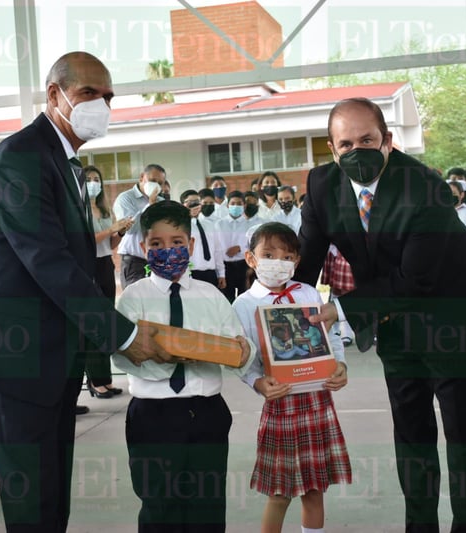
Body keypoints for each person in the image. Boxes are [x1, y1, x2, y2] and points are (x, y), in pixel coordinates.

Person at [0, 51, 171, 533]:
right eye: (89, 93)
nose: (102, 105)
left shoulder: (62, 161)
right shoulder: (20, 158)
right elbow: (48, 262)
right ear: (55, 95)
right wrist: (124, 335)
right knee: (33, 509)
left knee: (51, 504)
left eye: (109, 97)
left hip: (49, 357)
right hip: (15, 360)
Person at [297, 97, 466, 532]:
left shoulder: (423, 185)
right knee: (411, 433)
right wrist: (277, 309)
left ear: (388, 141)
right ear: (332, 149)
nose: (357, 151)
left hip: (456, 312)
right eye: (346, 143)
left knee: (461, 431)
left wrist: (339, 310)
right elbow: (307, 260)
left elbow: (416, 279)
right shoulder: (320, 185)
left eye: (368, 140)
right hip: (392, 315)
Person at [111, 200, 254, 533]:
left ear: (190, 246)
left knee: (206, 503)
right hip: (153, 415)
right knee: (159, 504)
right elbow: (119, 355)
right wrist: (156, 353)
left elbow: (238, 349)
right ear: (144, 248)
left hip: (206, 412)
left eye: (176, 243)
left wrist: (243, 352)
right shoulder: (133, 297)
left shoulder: (211, 296)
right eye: (157, 245)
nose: (167, 251)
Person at [232, 222, 350, 533]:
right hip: (281, 404)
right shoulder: (244, 305)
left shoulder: (308, 293)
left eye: (287, 256)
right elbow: (241, 358)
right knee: (280, 492)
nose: (278, 262)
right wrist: (257, 382)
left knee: (314, 489)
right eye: (268, 254)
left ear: (296, 261)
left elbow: (331, 335)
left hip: (317, 400)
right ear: (250, 258)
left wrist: (340, 365)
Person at [84, 164, 131, 399]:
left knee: (105, 322)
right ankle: (94, 380)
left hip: (104, 265)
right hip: (87, 266)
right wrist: (112, 228)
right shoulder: (78, 209)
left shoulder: (103, 209)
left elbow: (109, 246)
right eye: (89, 178)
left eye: (96, 179)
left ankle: (106, 379)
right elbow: (85, 241)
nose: (94, 182)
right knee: (93, 323)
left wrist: (120, 232)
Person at [113, 164, 167, 289]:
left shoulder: (162, 202)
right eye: (153, 180)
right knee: (135, 303)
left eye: (160, 183)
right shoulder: (125, 198)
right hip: (135, 261)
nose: (156, 185)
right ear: (142, 177)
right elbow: (131, 229)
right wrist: (151, 206)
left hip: (158, 260)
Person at [180, 188, 225, 288]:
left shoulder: (210, 225)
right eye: (190, 202)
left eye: (197, 202)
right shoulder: (180, 227)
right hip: (191, 273)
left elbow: (217, 250)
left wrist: (221, 273)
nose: (194, 205)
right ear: (183, 205)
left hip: (211, 273)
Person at [216, 191, 250, 302]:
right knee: (227, 298)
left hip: (242, 265)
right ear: (228, 205)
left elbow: (253, 245)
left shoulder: (249, 225)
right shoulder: (219, 224)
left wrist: (240, 248)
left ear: (244, 205)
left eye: (239, 203)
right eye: (233, 203)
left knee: (244, 297)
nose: (236, 206)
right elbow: (216, 246)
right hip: (225, 266)